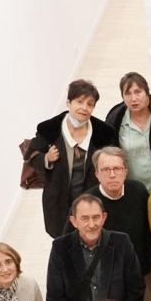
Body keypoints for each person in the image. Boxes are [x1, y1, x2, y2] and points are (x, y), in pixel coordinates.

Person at [26, 79, 117, 238]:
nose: (84, 107)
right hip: (58, 200)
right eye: (79, 102)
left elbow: (114, 159)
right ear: (68, 103)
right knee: (63, 243)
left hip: (92, 201)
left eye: (90, 104)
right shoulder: (49, 129)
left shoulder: (104, 133)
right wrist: (46, 158)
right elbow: (31, 155)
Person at [47, 194, 144, 301]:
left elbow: (135, 289)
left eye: (96, 217)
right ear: (74, 221)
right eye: (85, 218)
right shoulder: (60, 248)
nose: (91, 224)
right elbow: (55, 296)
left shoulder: (121, 243)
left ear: (104, 217)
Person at [91, 147, 151, 301]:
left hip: (141, 274)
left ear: (126, 171)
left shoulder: (138, 191)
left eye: (117, 168)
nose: (112, 174)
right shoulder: (88, 202)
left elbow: (149, 230)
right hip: (104, 279)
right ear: (96, 174)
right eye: (105, 169)